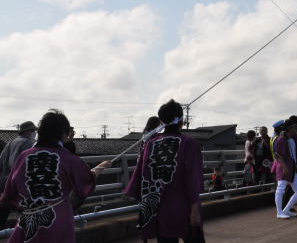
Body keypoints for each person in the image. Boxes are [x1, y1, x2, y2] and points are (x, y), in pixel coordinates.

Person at [0, 110, 111, 242]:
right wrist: (102, 166)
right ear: (63, 134)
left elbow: (8, 194)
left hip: (28, 221)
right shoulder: (68, 158)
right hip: (59, 221)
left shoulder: (24, 156)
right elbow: (86, 180)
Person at [126, 100, 204, 242]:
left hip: (160, 211)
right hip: (185, 208)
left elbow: (142, 177)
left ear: (161, 121)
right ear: (182, 120)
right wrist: (195, 209)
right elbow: (193, 180)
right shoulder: (190, 144)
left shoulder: (151, 144)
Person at [0, 121, 38, 229]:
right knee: (23, 214)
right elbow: (28, 166)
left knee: (3, 212)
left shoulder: (10, 143)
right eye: (33, 131)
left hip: (3, 183)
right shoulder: (27, 144)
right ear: (28, 132)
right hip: (17, 184)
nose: (35, 133)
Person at [273, 119, 297, 219]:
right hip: (284, 168)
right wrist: (285, 168)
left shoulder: (292, 138)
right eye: (295, 127)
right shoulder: (281, 139)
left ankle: (286, 210)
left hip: (292, 168)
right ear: (289, 128)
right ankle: (279, 212)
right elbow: (278, 155)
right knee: (280, 189)